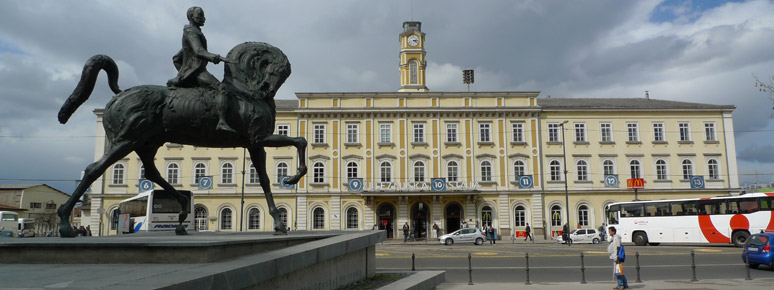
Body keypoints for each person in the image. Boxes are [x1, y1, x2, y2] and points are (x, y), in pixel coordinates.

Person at [167, 6, 236, 133]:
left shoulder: (194, 32)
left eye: (203, 16)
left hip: (192, 70)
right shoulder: (191, 31)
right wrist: (214, 57)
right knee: (222, 88)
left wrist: (182, 71)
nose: (203, 18)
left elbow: (177, 58)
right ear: (191, 17)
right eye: (200, 15)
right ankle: (221, 121)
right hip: (196, 71)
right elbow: (198, 51)